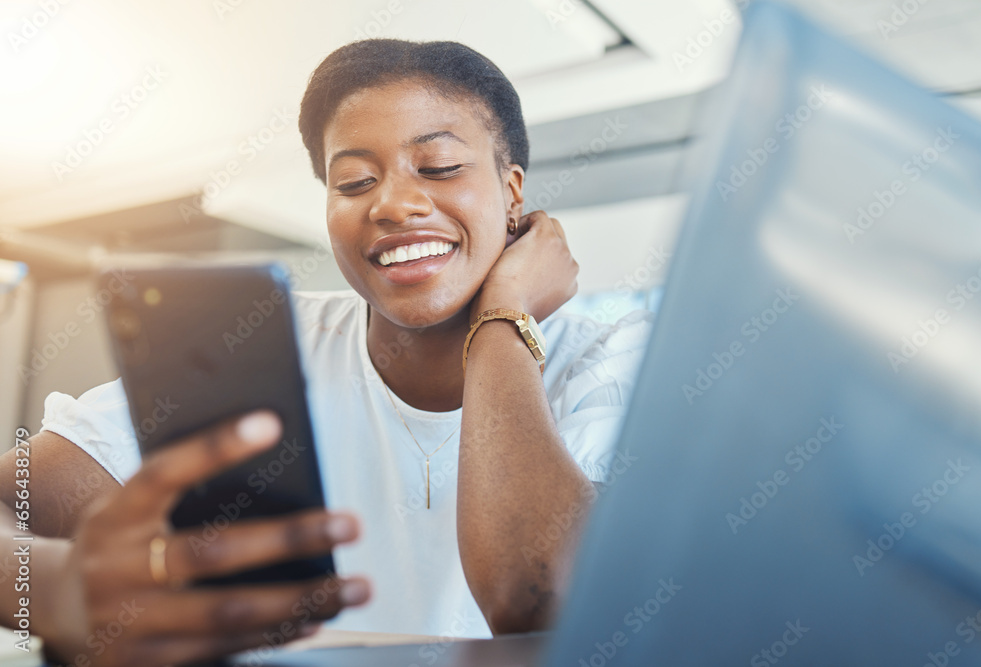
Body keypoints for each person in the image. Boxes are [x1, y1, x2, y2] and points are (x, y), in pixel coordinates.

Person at [0, 39, 653, 665]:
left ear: (513, 192)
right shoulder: (262, 341)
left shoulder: (612, 354)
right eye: (354, 180)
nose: (395, 203)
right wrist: (51, 586)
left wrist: (504, 325)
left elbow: (542, 600)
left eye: (441, 167)